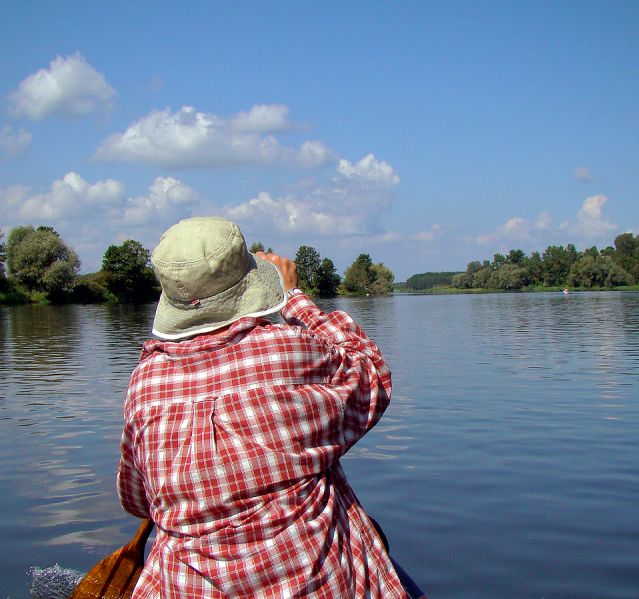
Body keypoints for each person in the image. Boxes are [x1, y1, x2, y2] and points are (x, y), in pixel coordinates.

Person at [117, 216, 424, 598]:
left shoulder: (145, 382)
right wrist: (294, 298)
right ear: (251, 285)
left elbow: (137, 500)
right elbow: (372, 376)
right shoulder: (288, 351)